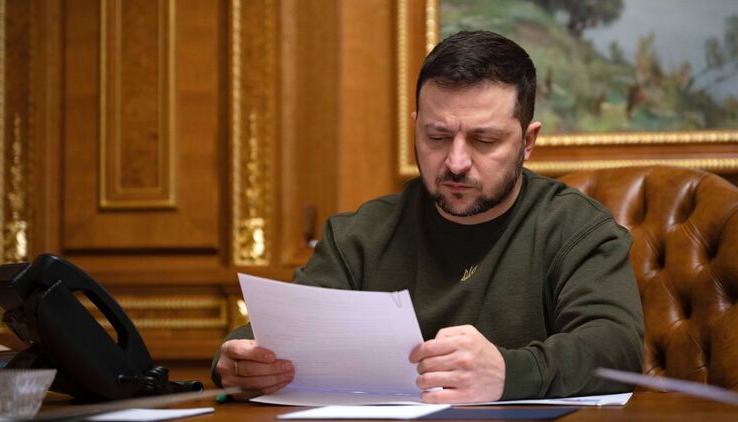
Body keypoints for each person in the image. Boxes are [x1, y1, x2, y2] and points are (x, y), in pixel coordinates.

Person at [212, 30, 644, 403]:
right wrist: (236, 359)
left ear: (527, 142)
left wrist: (510, 373)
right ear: (416, 127)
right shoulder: (360, 236)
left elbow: (616, 347)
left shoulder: (576, 228)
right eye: (437, 136)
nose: (456, 162)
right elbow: (279, 335)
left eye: (484, 140)